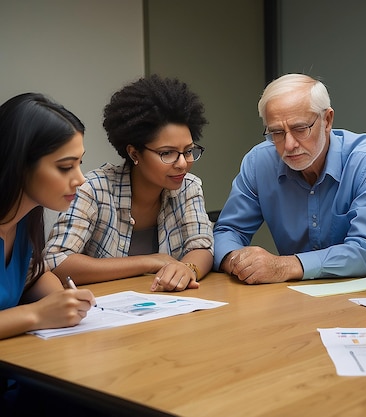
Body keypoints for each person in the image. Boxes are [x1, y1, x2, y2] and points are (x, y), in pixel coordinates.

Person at [213, 73, 366, 283]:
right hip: (302, 294)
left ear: (327, 120)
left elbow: (364, 251)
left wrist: (282, 267)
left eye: (300, 129)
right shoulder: (259, 162)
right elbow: (228, 231)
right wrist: (237, 261)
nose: (289, 145)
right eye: (277, 133)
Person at [44, 75, 213, 292]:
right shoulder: (95, 189)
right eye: (167, 153)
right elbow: (56, 261)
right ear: (134, 153)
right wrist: (150, 261)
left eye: (188, 151)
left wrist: (188, 269)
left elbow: (202, 247)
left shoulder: (188, 187)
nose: (182, 163)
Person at [0, 93, 95, 340]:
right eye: (65, 167)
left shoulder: (22, 222)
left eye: (79, 163)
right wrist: (38, 315)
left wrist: (63, 300)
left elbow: (35, 276)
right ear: (19, 164)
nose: (81, 179)